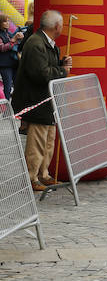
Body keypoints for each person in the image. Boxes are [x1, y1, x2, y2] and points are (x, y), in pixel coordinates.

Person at [13, 10, 72, 192]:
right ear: (57, 26)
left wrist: (61, 64)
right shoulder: (36, 43)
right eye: (62, 24)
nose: (63, 27)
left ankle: (43, 174)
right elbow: (41, 74)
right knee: (37, 141)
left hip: (46, 99)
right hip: (36, 99)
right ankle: (32, 176)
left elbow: (47, 68)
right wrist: (63, 71)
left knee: (48, 139)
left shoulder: (47, 43)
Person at [0, 14, 22, 98]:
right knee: (8, 86)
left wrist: (19, 38)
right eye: (5, 21)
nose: (8, 23)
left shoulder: (8, 33)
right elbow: (2, 48)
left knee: (17, 84)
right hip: (5, 65)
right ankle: (6, 107)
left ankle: (15, 104)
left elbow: (15, 44)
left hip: (14, 63)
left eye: (8, 21)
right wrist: (13, 40)